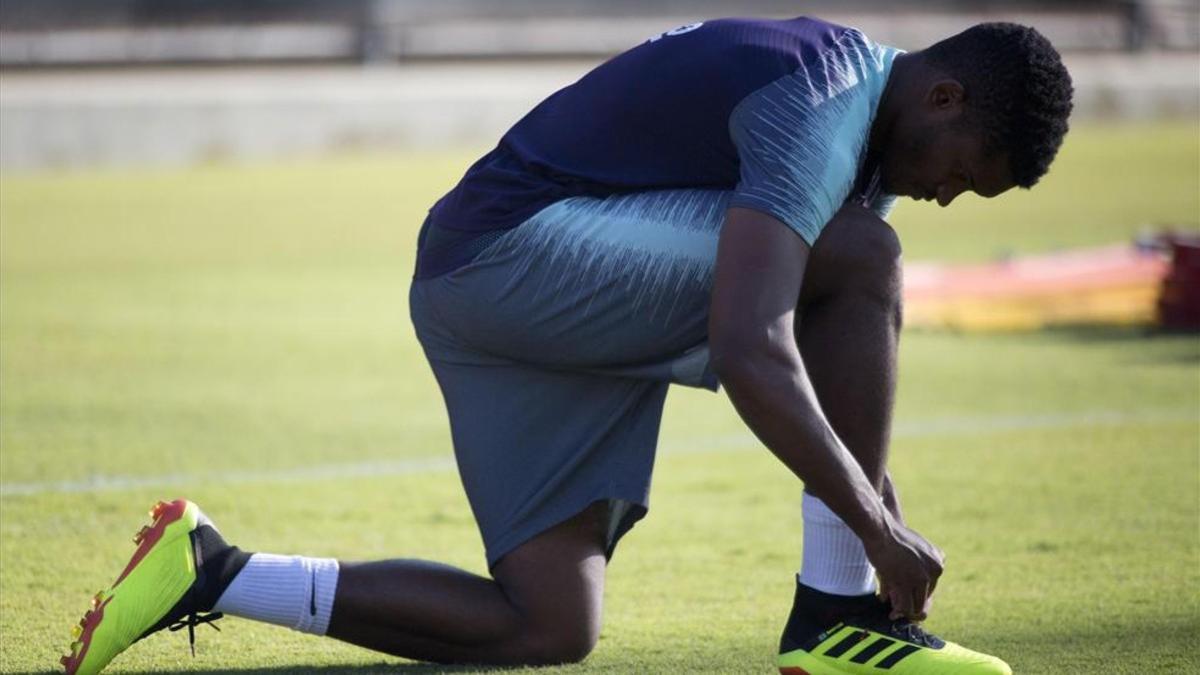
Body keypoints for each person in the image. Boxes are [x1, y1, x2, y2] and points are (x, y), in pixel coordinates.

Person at [61, 16, 1072, 675]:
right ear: (945, 99)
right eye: (964, 173)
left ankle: (212, 571)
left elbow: (826, 366)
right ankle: (831, 620)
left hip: (483, 292)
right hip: (512, 260)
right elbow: (752, 341)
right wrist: (873, 533)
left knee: (548, 625)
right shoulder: (824, 106)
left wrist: (873, 508)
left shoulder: (859, 125)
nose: (945, 195)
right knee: (865, 254)